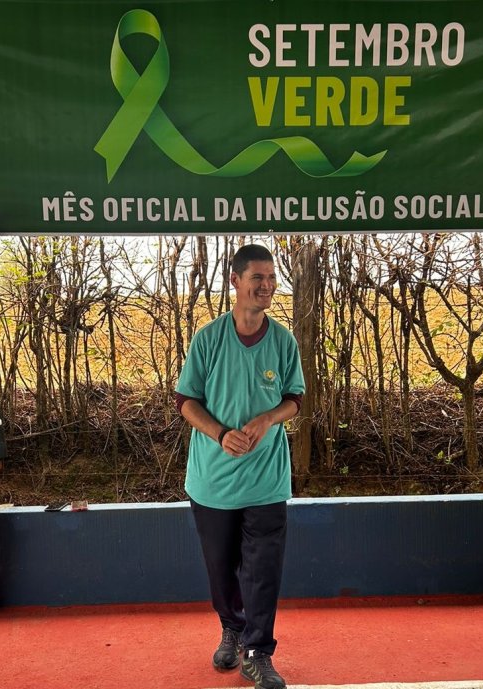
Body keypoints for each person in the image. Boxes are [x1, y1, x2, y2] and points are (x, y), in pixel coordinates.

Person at [175, 244, 305, 689]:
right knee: (221, 566)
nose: (267, 286)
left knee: (263, 570)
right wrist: (219, 433)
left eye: (271, 278)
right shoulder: (208, 339)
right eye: (258, 278)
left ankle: (257, 652)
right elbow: (186, 403)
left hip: (267, 480)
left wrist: (269, 417)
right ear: (235, 281)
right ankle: (231, 627)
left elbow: (295, 400)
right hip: (213, 481)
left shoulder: (284, 340)